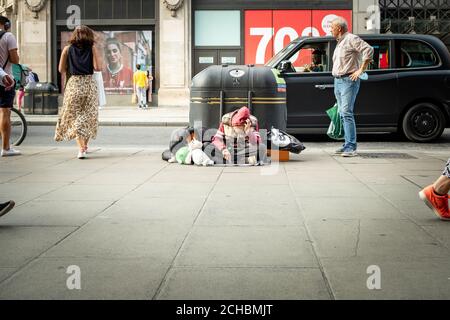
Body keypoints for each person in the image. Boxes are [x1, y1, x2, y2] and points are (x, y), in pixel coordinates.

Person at [55, 25, 102, 159]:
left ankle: (81, 148)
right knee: (88, 116)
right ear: (89, 35)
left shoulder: (67, 49)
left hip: (74, 84)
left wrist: (72, 65)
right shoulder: (91, 48)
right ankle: (84, 147)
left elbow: (60, 69)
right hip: (88, 84)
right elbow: (97, 67)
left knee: (74, 116)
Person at [331, 17, 373, 157]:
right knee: (343, 114)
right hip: (338, 81)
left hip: (349, 81)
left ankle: (351, 147)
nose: (331, 30)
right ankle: (346, 144)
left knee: (347, 113)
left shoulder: (351, 38)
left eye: (332, 27)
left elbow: (369, 49)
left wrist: (361, 69)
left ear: (339, 29)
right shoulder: (340, 42)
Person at [0, 16, 20, 157]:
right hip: (5, 80)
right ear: (5, 24)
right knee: (4, 112)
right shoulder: (8, 36)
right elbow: (14, 59)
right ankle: (6, 148)